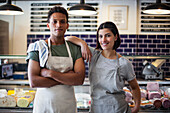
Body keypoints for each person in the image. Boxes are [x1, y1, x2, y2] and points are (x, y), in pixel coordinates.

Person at [65, 21, 141, 113]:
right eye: (100, 36)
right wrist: (82, 44)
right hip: (96, 108)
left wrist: (137, 107)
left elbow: (135, 87)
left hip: (118, 109)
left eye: (108, 35)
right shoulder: (93, 55)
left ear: (116, 37)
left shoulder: (124, 63)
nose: (103, 40)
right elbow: (67, 39)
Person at [26, 6, 85, 113]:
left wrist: (50, 73)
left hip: (67, 106)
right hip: (44, 106)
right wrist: (67, 78)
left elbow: (79, 79)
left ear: (67, 25)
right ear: (48, 25)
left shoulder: (75, 48)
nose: (58, 25)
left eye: (62, 22)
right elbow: (34, 81)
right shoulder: (38, 48)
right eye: (54, 22)